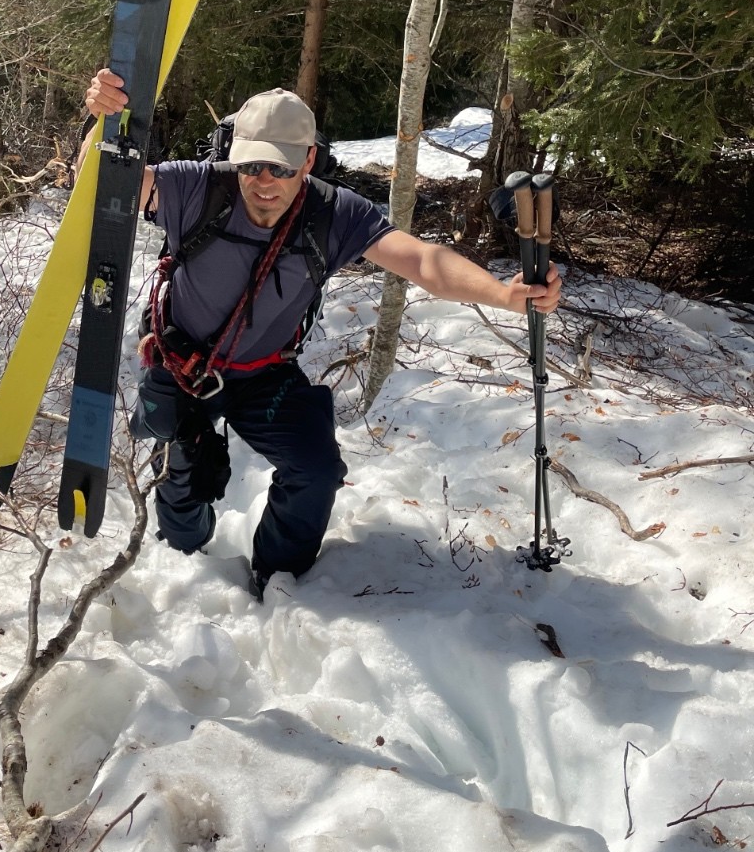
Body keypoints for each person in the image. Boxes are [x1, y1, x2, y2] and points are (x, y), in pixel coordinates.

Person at [83, 68, 563, 601]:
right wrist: (102, 122)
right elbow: (105, 182)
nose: (264, 181)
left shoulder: (332, 215)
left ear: (308, 160)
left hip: (266, 373)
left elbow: (423, 260)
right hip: (185, 369)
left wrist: (504, 294)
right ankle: (185, 553)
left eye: (282, 168)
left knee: (316, 469)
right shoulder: (197, 187)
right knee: (181, 508)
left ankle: (276, 581)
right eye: (253, 164)